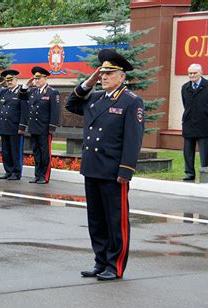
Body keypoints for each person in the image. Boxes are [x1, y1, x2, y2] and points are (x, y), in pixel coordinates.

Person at [66, 49, 144, 281]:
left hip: (112, 170)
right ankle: (101, 261)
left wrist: (126, 170)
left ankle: (115, 264)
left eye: (109, 73)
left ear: (122, 76)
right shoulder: (97, 97)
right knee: (96, 219)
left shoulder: (131, 101)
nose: (104, 77)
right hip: (93, 167)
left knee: (115, 220)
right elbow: (71, 104)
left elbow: (133, 139)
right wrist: (87, 83)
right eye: (102, 74)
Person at [20, 66, 60, 184]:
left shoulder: (52, 92)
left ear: (45, 78)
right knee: (36, 152)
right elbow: (21, 96)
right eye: (35, 79)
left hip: (44, 128)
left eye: (39, 79)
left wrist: (52, 127)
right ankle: (37, 175)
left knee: (45, 153)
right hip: (34, 127)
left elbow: (55, 111)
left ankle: (44, 176)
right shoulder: (32, 91)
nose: (37, 81)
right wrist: (26, 85)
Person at [181, 64, 208, 181]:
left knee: (204, 151)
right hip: (188, 123)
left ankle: (205, 171)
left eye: (194, 73)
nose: (191, 75)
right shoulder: (184, 87)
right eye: (190, 73)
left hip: (204, 123)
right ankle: (189, 173)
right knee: (188, 151)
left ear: (201, 73)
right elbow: (185, 103)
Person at [0, 69, 28, 180]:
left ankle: (16, 173)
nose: (9, 82)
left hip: (15, 126)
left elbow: (24, 110)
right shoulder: (4, 92)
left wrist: (22, 126)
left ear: (16, 80)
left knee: (15, 151)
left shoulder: (21, 92)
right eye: (7, 81)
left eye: (11, 80)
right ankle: (8, 171)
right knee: (6, 151)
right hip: (4, 126)